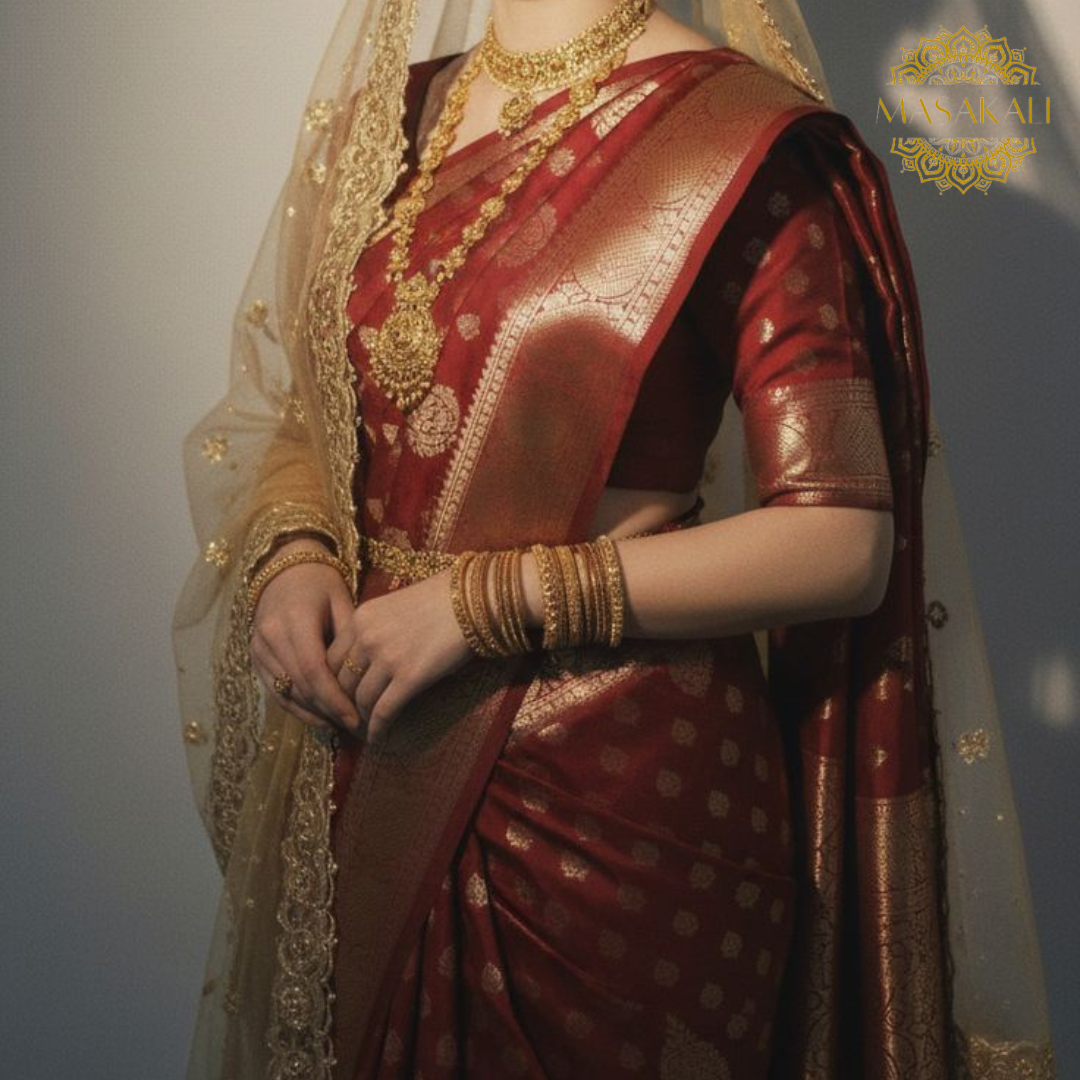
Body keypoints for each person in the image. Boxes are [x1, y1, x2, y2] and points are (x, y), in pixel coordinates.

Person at [172, 1, 1056, 1077]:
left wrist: (487, 603)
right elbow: (306, 421)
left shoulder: (741, 139)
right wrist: (295, 554)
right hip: (367, 744)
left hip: (613, 802)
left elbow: (841, 538)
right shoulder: (384, 123)